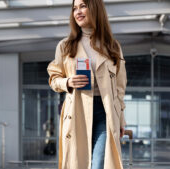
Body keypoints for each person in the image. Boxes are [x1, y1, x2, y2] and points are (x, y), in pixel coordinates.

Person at [47, 0, 127, 169]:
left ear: (95, 8)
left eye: (83, 6)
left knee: (99, 164)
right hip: (77, 111)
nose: (78, 12)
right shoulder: (66, 46)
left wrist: (121, 118)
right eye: (75, 8)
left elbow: (120, 87)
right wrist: (67, 82)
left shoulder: (112, 46)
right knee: (78, 164)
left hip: (105, 113)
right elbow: (54, 79)